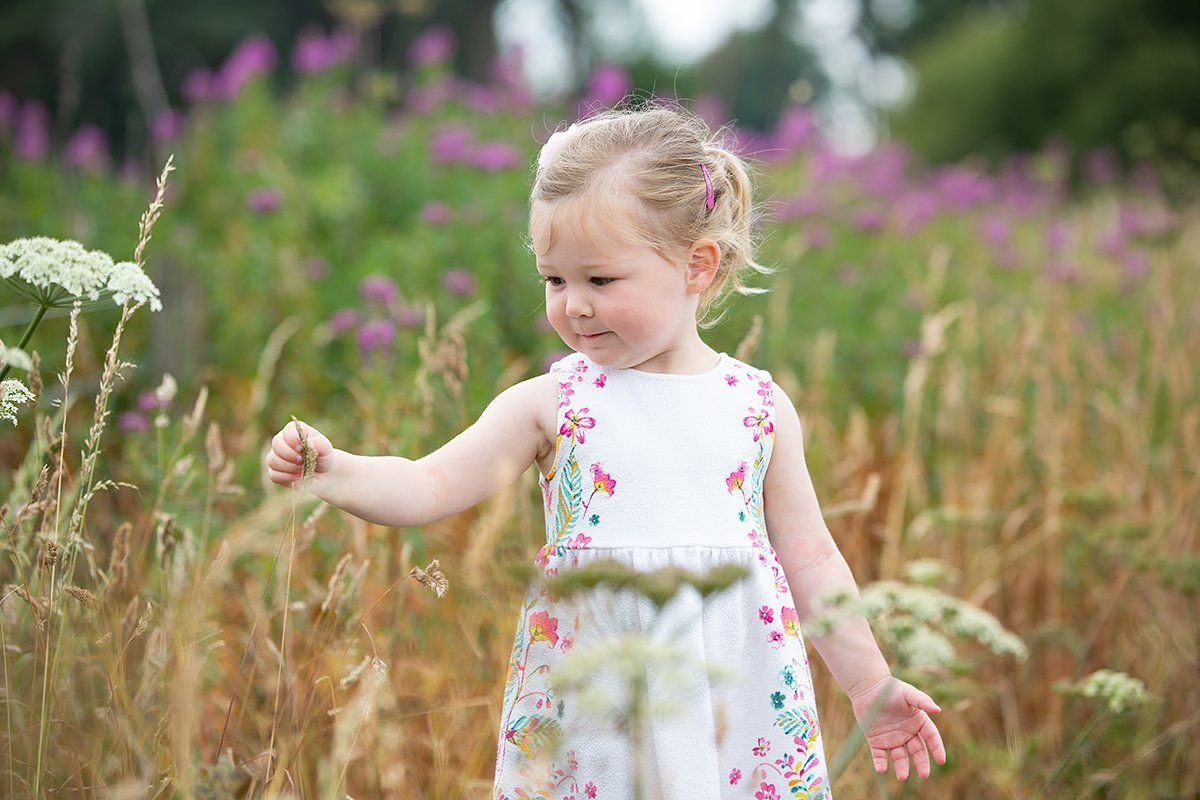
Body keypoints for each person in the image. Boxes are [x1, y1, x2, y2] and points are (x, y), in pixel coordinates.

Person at [266, 100, 946, 799]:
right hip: (598, 703)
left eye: (600, 280)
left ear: (698, 266)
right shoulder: (553, 403)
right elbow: (429, 484)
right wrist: (334, 470)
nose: (573, 305)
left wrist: (870, 683)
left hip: (733, 704)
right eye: (555, 280)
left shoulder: (759, 408)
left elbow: (812, 557)